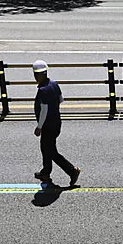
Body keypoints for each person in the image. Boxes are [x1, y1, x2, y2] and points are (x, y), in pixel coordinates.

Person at [32, 60, 80, 188]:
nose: (36, 77)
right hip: (56, 123)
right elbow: (60, 100)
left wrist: (39, 127)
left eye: (36, 75)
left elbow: (44, 110)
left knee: (51, 151)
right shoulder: (54, 84)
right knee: (45, 148)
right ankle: (45, 172)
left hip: (47, 126)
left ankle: (72, 171)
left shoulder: (43, 90)